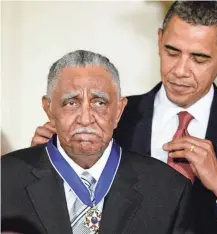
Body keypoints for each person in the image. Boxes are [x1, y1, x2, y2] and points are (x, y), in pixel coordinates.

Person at [30, 1, 217, 234]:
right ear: (159, 40)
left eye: (199, 59)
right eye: (172, 52)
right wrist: (47, 168)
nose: (180, 70)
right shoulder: (109, 116)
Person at [1, 50, 194, 234]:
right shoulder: (5, 179)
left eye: (99, 103)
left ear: (119, 110)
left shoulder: (168, 188)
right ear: (49, 109)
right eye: (71, 103)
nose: (85, 119)